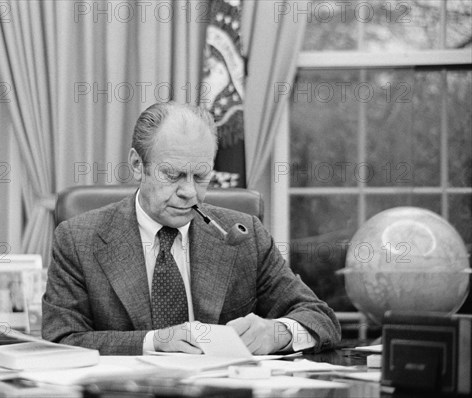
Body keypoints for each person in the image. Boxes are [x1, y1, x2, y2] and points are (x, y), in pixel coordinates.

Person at [42, 101, 341, 355]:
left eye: (200, 176)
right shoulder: (78, 239)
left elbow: (321, 319)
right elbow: (61, 339)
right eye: (172, 175)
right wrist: (152, 341)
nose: (189, 192)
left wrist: (278, 333)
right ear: (136, 164)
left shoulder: (245, 235)